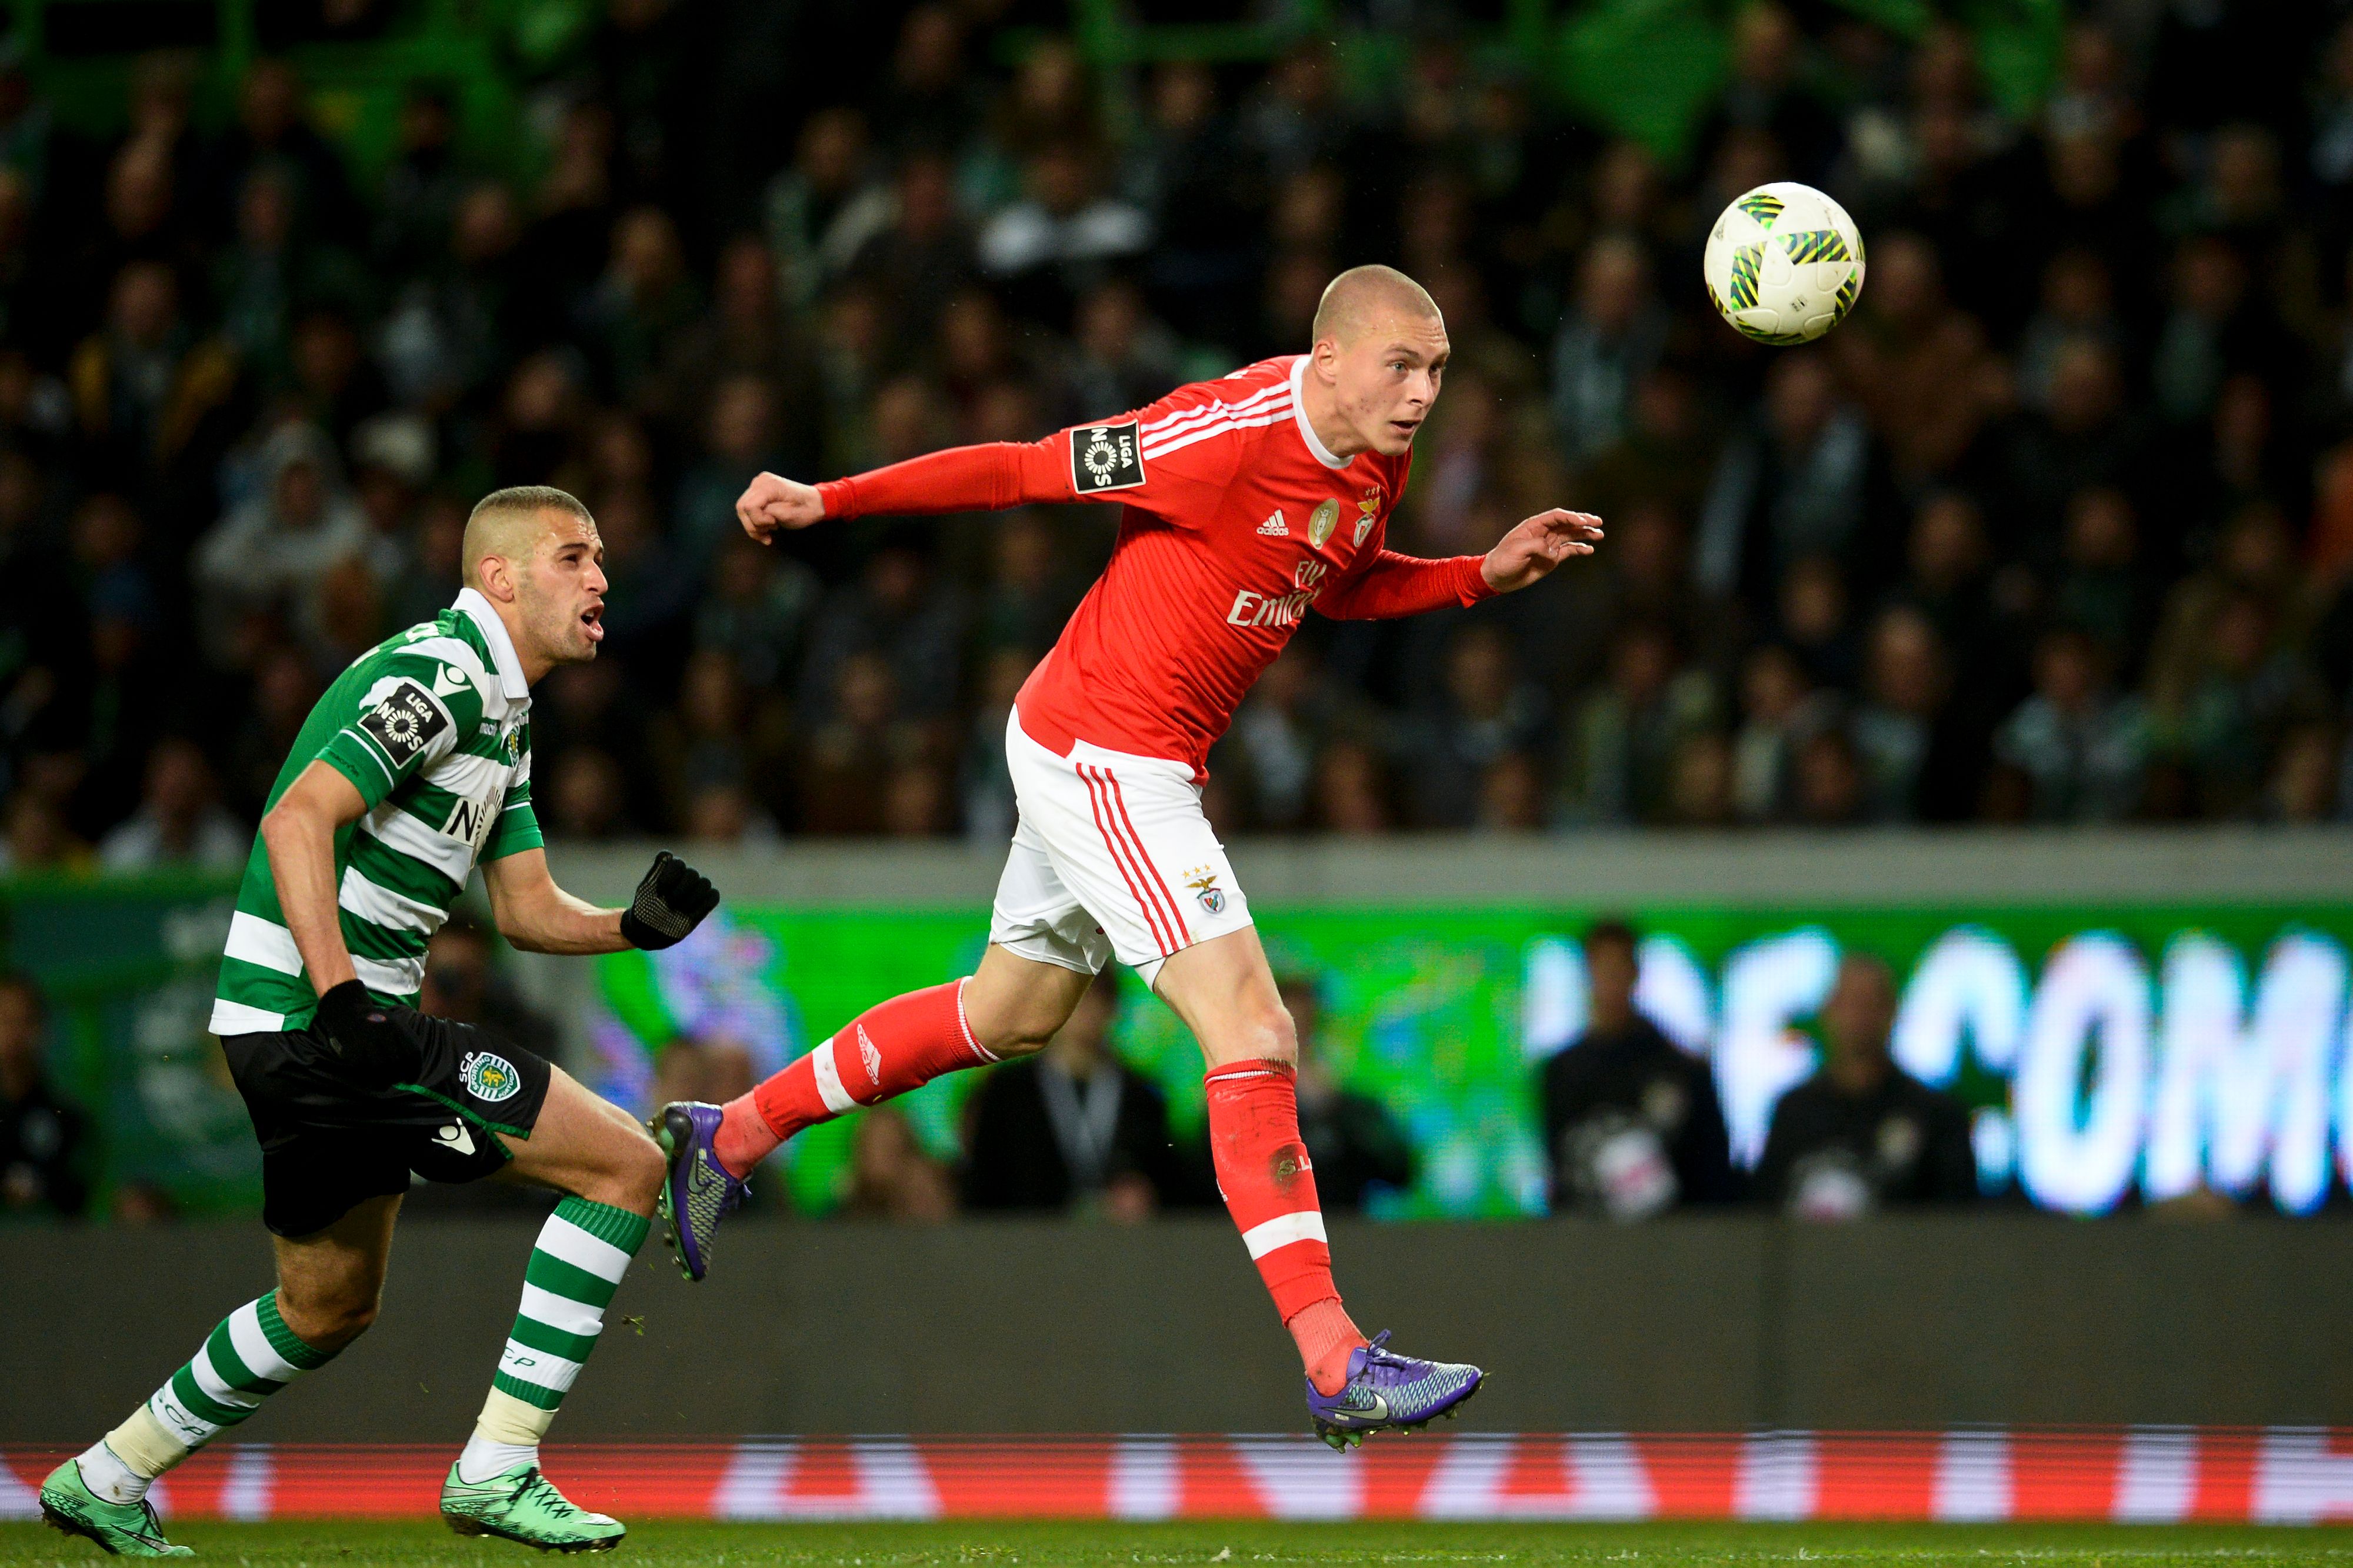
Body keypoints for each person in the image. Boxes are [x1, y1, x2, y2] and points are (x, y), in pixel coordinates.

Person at [659, 264, 1603, 1449]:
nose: (1421, 393)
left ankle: (731, 1130)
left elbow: (1335, 581)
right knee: (1253, 1032)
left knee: (1007, 1015)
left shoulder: (1375, 456)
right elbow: (1015, 467)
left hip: (1120, 749)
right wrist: (826, 500)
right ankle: (1333, 1356)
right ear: (1327, 358)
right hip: (1105, 749)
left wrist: (1477, 574)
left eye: (1436, 370)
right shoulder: (1213, 434)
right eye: (1399, 365)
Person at [37, 487, 721, 1557]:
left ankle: (104, 1474)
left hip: (293, 1030)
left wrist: (631, 929)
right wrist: (347, 996)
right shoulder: (438, 676)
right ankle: (499, 1464)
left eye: (601, 558)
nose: (601, 578)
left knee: (324, 1307)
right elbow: (299, 814)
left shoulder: (504, 709)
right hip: (333, 1024)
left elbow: (526, 909)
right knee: (626, 1167)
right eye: (574, 557)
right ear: (501, 578)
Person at [1754, 953, 1978, 1217]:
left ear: (1893, 1011)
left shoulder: (1936, 1116)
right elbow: (1764, 1214)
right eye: (1849, 1003)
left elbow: (1957, 1227)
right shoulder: (1794, 1112)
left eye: (1871, 1004)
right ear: (1828, 1012)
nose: (1860, 1018)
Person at [1539, 919, 1735, 1219]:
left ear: (1636, 973)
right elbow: (1558, 1171)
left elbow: (1713, 1174)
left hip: (1670, 1245)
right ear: (1587, 974)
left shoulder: (1681, 1070)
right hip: (1589, 1248)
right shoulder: (1562, 1073)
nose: (1611, 982)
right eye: (1602, 969)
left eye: (1619, 968)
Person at [962, 966, 1189, 1217]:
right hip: (1024, 1244)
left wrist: (1144, 1193)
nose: (1084, 1013)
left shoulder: (1143, 1096)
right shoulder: (1006, 1092)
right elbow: (984, 1185)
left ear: (1112, 1007)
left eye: (1095, 999)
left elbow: (1172, 1185)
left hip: (1121, 1247)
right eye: (1074, 1001)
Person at [1279, 975, 1413, 1212]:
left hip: (1346, 1234)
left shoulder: (1355, 1108)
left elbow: (1399, 1172)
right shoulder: (1237, 1111)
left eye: (1302, 1026)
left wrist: (1333, 1109)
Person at [0, 972, 91, 1218]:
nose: (13, 1033)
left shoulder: (67, 1113)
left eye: (24, 1020)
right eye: (4, 1020)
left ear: (41, 1028)